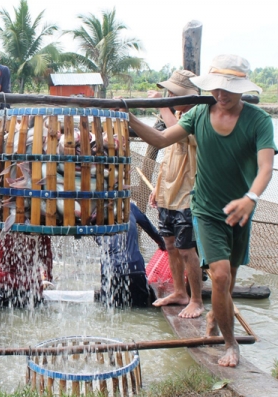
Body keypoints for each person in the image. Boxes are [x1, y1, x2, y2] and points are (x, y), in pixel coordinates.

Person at [126, 54, 276, 367]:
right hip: (206, 210)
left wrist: (250, 196)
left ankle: (214, 318)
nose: (221, 94)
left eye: (229, 88)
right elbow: (161, 138)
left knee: (230, 280)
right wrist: (129, 118)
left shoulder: (257, 120)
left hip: (240, 210)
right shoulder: (198, 114)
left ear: (242, 88)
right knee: (219, 277)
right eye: (217, 87)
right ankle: (231, 344)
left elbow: (265, 168)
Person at [147, 70, 204, 318]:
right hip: (168, 195)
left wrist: (161, 106)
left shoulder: (197, 117)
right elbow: (167, 157)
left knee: (187, 249)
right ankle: (180, 292)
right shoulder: (179, 114)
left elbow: (174, 136)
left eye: (173, 93)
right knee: (170, 245)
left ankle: (197, 300)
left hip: (187, 196)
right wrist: (158, 189)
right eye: (168, 93)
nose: (169, 96)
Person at [96, 203, 166, 308]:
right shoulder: (129, 207)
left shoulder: (93, 214)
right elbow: (150, 229)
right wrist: (163, 245)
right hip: (135, 268)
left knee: (112, 310)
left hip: (111, 270)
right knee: (142, 308)